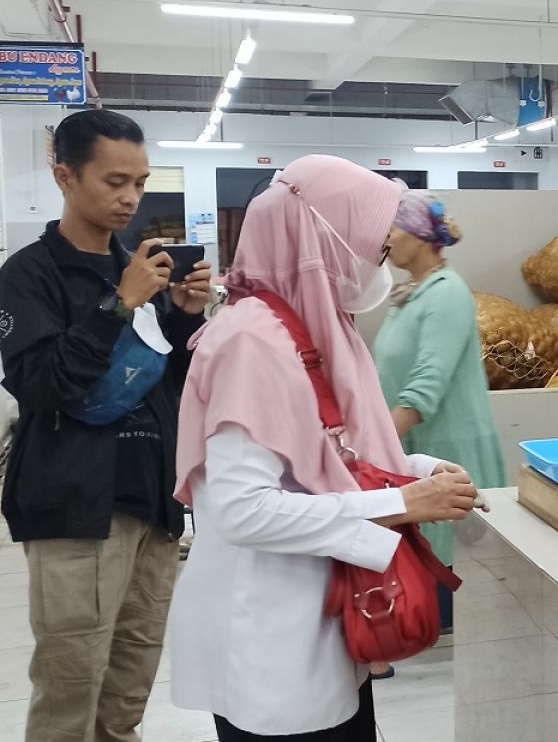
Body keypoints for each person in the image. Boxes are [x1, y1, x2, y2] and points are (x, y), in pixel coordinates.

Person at [167, 155, 479, 741]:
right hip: (273, 641)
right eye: (375, 250)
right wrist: (401, 502)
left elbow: (322, 456)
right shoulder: (252, 343)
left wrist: (415, 468)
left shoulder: (307, 328)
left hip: (321, 623)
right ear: (322, 242)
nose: (379, 267)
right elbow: (243, 508)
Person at [0, 109, 212, 742]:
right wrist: (120, 304)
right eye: (115, 181)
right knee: (69, 697)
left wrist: (180, 319)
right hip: (76, 509)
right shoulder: (30, 274)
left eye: (140, 182)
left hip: (154, 506)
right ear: (64, 176)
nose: (130, 198)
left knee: (126, 697)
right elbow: (42, 385)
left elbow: (157, 385)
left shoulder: (141, 270)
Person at [372, 192, 507, 633]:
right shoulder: (412, 294)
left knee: (449, 560)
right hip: (414, 448)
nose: (386, 239)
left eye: (393, 229)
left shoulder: (447, 294)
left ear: (418, 235)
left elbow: (426, 386)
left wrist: (374, 445)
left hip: (446, 449)